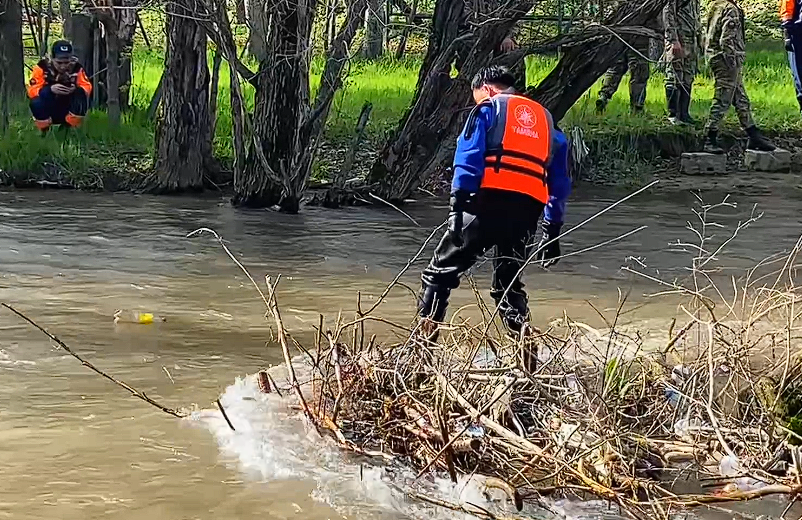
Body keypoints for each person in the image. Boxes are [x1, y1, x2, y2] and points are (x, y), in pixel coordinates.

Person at [416, 66, 571, 343]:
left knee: (438, 275)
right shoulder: (547, 122)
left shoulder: (487, 110)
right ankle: (526, 354)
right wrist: (552, 229)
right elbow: (559, 181)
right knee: (508, 286)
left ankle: (422, 354)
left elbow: (469, 160)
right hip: (527, 213)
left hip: (485, 205)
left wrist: (456, 208)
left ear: (486, 90)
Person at [702, 0, 776, 153]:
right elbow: (726, 39)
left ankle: (753, 133)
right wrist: (732, 62)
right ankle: (709, 136)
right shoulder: (731, 9)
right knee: (723, 98)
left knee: (740, 97)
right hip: (726, 60)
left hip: (716, 57)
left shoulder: (717, 5)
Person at [27, 40, 92, 134]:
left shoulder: (77, 68)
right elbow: (31, 91)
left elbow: (87, 86)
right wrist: (50, 90)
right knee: (35, 102)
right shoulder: (41, 68)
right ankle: (44, 131)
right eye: (59, 63)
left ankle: (70, 128)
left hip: (68, 105)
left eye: (66, 63)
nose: (63, 66)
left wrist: (75, 89)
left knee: (81, 96)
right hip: (49, 105)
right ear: (52, 59)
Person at [663, 0, 702, 124]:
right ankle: (673, 114)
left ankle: (684, 113)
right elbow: (668, 13)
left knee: (688, 76)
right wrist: (673, 39)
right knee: (674, 75)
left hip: (692, 40)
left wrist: (700, 41)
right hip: (678, 39)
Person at [596, 35, 652, 114]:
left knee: (615, 69)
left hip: (618, 34)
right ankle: (637, 107)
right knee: (639, 72)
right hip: (638, 35)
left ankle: (603, 96)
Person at [781, 0, 802, 112]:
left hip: (797, 32)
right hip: (797, 32)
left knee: (799, 75)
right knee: (799, 76)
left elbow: (787, 8)